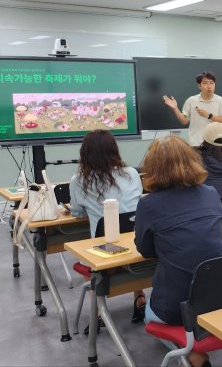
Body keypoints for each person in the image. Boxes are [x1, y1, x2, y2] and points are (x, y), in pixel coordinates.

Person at [135, 136, 222, 367]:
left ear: (151, 167)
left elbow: (145, 250)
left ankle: (193, 353)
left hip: (175, 308)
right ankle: (195, 351)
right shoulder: (211, 193)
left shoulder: (148, 204)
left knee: (149, 316)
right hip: (220, 301)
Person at [70, 130, 144, 322]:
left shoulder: (79, 181)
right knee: (129, 233)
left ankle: (97, 309)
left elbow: (77, 212)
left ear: (85, 154)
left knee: (88, 252)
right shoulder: (132, 174)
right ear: (114, 150)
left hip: (104, 253)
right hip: (139, 246)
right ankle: (139, 297)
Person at [163, 71, 222, 146]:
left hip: (216, 144)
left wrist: (209, 115)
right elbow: (184, 121)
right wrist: (175, 108)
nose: (209, 86)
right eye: (205, 83)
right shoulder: (191, 100)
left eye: (212, 83)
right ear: (199, 86)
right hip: (196, 143)